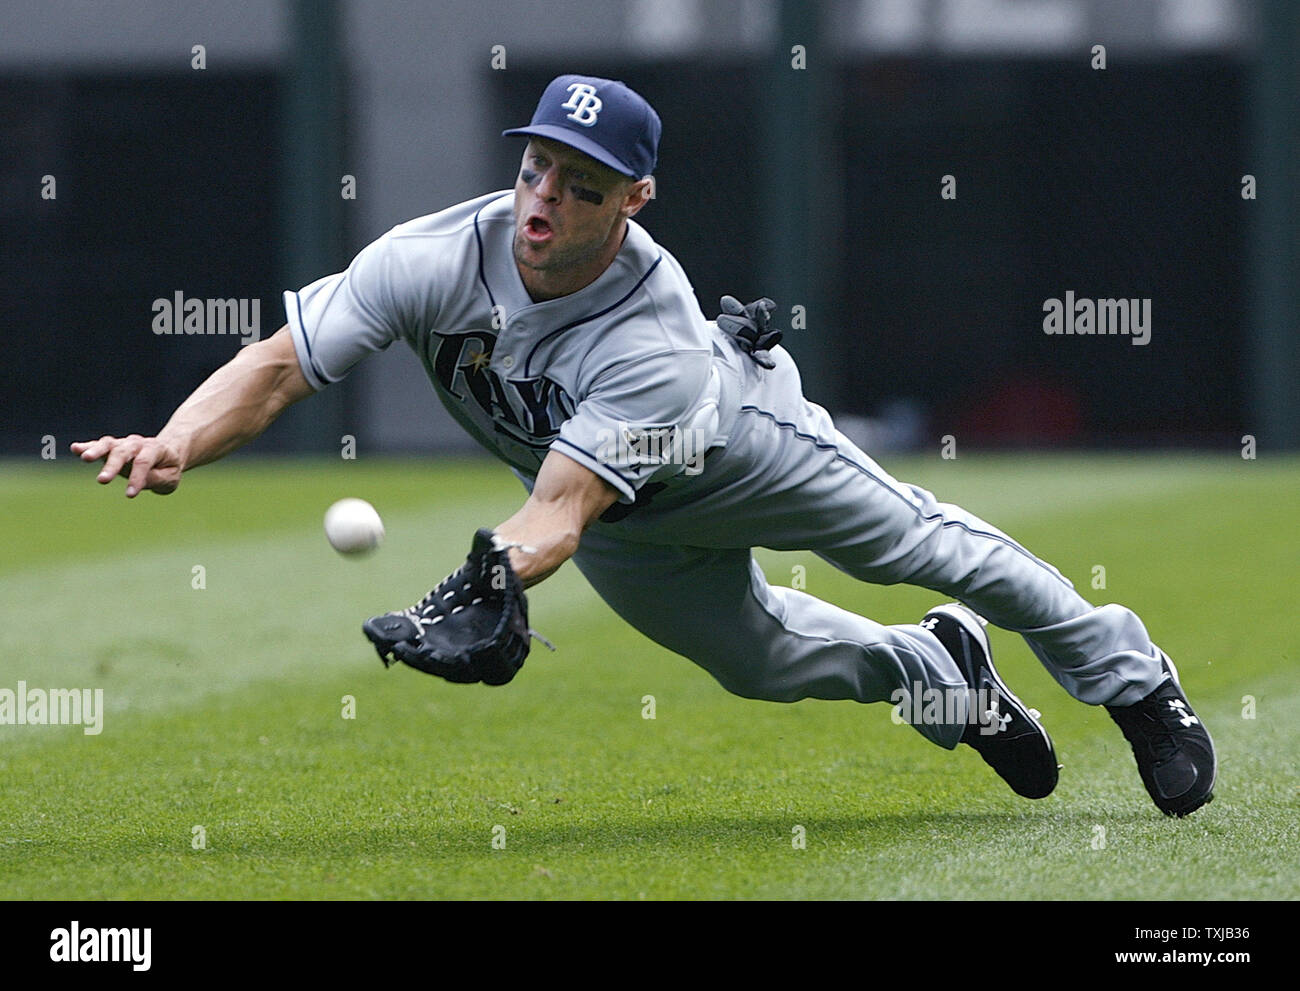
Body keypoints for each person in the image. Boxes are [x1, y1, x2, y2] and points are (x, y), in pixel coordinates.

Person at [73, 74, 1215, 816]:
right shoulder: (433, 255)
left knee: (929, 548)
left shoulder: (651, 333)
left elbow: (561, 511)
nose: (542, 200)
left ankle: (1132, 677)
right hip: (612, 510)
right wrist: (176, 440)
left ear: (634, 198)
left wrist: (487, 575)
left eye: (579, 186)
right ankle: (943, 676)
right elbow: (280, 363)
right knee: (762, 663)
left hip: (736, 444)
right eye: (534, 169)